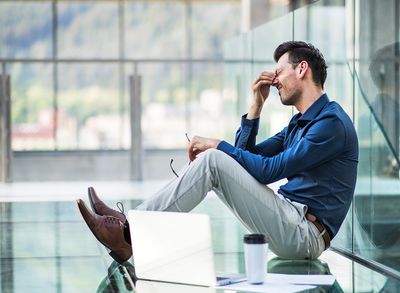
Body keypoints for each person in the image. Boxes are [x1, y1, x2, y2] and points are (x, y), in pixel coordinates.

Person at [76, 41, 359, 263]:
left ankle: (129, 233)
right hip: (289, 220)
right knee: (217, 159)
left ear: (301, 69)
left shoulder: (330, 124)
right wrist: (255, 107)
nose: (274, 80)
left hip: (304, 235)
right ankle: (130, 227)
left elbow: (267, 170)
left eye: (279, 71)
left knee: (213, 159)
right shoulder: (300, 122)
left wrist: (216, 144)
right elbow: (244, 158)